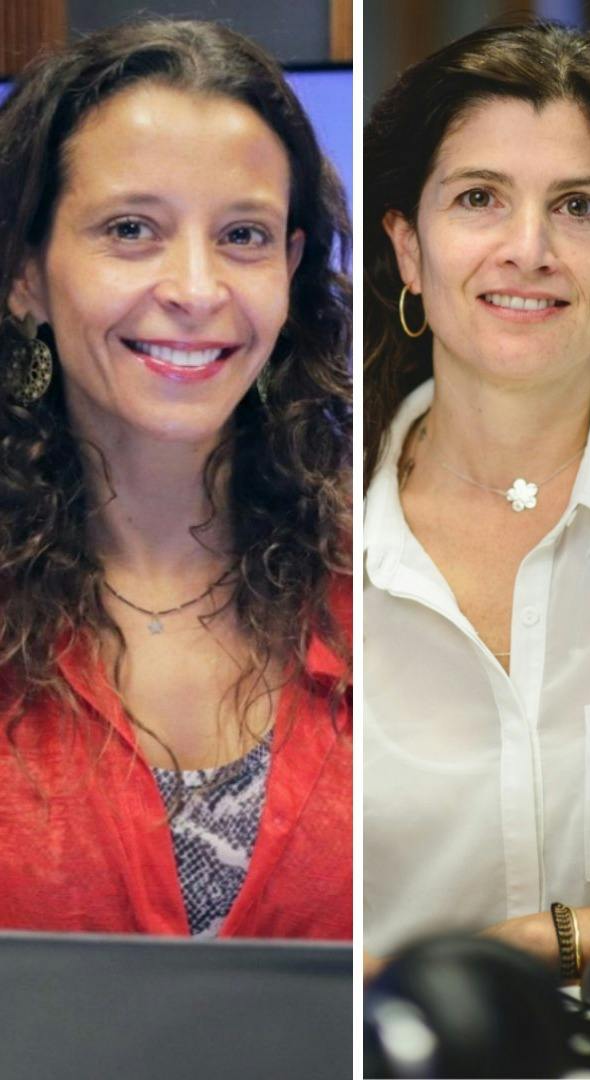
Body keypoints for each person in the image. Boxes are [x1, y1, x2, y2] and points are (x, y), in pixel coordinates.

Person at [363, 19, 590, 976]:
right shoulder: (313, 528)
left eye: (578, 207)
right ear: (407, 247)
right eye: (479, 198)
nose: (529, 249)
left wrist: (539, 949)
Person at [0, 19, 352, 939]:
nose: (197, 290)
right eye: (131, 230)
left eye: (242, 235)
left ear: (291, 268)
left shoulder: (386, 575)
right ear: (26, 272)